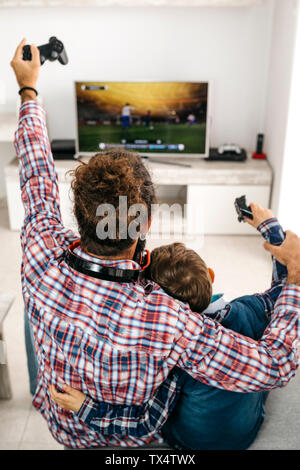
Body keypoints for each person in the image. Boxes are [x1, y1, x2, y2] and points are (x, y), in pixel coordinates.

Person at [10, 39, 300, 450]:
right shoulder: (166, 319)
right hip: (130, 447)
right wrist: (297, 279)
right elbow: (275, 366)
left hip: (61, 427)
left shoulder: (39, 248)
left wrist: (29, 88)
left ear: (78, 213)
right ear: (145, 222)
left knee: (30, 309)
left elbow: (36, 171)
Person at [50, 209, 287, 449]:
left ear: (158, 302)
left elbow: (145, 421)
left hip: (191, 443)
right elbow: (286, 285)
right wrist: (270, 226)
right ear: (210, 276)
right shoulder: (251, 308)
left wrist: (84, 407)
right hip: (247, 430)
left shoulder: (173, 355)